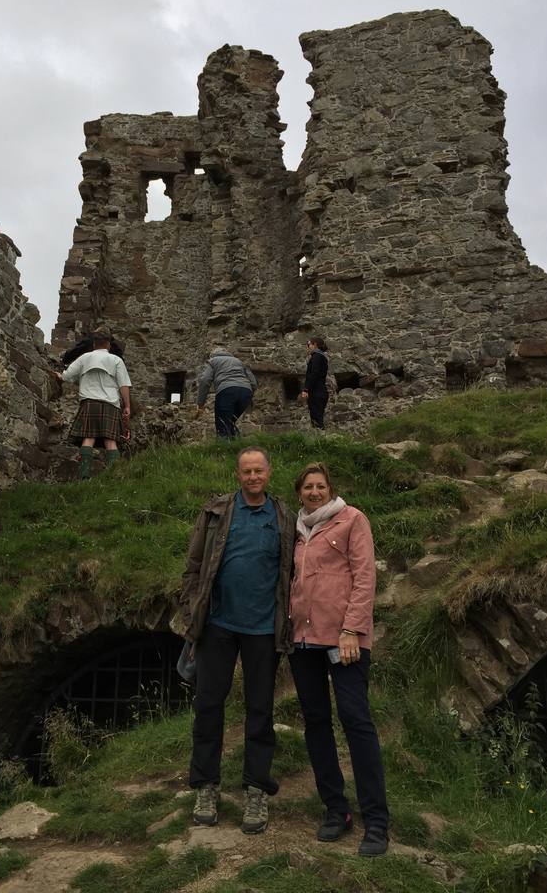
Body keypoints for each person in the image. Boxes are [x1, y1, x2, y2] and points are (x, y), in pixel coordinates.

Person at [181, 446, 295, 835]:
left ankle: (256, 789)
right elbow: (194, 564)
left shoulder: (284, 517)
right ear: (237, 474)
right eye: (246, 471)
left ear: (269, 472)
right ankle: (206, 786)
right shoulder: (215, 512)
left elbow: (295, 572)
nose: (252, 477)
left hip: (264, 629)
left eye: (258, 471)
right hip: (218, 625)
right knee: (208, 705)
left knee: (260, 710)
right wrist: (190, 607)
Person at [288, 461, 390, 857]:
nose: (314, 492)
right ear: (299, 492)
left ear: (331, 488)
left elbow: (365, 577)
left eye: (321, 486)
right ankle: (337, 810)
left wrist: (352, 630)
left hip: (345, 640)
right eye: (307, 487)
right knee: (316, 722)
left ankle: (377, 822)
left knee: (356, 720)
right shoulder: (296, 531)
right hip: (303, 640)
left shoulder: (352, 520)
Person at [58, 332, 131, 477]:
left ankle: (84, 476)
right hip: (110, 403)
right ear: (108, 346)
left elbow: (67, 377)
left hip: (89, 402)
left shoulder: (85, 357)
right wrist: (127, 406)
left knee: (88, 438)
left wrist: (60, 376)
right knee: (110, 441)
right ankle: (114, 477)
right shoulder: (116, 360)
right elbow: (123, 385)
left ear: (93, 345)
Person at [196, 347, 258, 440]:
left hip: (226, 391)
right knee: (230, 422)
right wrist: (247, 395)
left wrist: (200, 403)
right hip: (246, 392)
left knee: (222, 426)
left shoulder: (212, 361)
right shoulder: (238, 362)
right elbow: (253, 382)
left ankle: (222, 452)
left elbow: (205, 380)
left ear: (212, 355)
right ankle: (238, 448)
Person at [301, 337, 329, 429]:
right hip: (321, 390)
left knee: (316, 420)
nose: (307, 348)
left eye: (309, 345)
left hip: (316, 391)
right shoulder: (323, 357)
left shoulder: (316, 357)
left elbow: (314, 374)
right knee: (317, 417)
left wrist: (306, 389)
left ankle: (320, 439)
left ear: (315, 345)